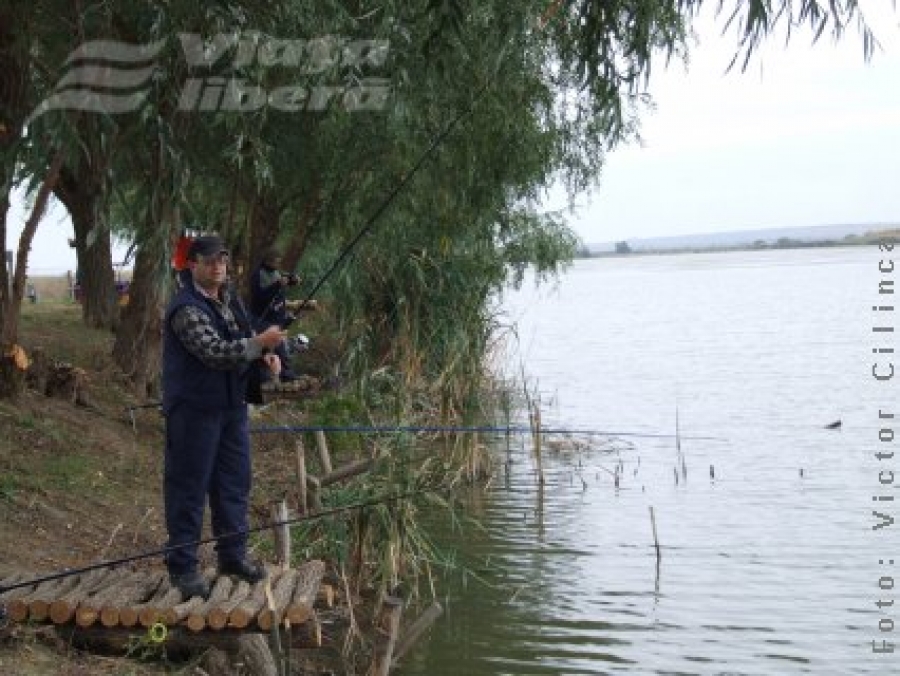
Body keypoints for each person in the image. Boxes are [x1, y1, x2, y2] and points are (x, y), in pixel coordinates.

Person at [162, 234, 286, 599]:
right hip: (193, 412)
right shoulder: (186, 308)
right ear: (192, 265)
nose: (218, 266)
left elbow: (244, 338)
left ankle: (232, 556)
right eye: (209, 260)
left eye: (223, 260)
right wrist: (259, 344)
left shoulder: (228, 299)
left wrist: (267, 357)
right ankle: (182, 567)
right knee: (188, 489)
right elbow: (214, 352)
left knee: (234, 483)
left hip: (231, 409)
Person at [250, 247, 301, 381]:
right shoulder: (258, 274)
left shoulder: (276, 273)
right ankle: (284, 376)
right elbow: (260, 296)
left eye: (279, 262)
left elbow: (282, 284)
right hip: (264, 320)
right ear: (268, 261)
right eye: (275, 261)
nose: (277, 264)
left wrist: (292, 280)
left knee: (281, 348)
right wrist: (278, 285)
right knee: (275, 349)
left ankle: (283, 375)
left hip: (278, 319)